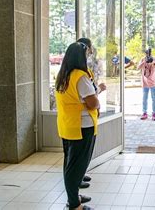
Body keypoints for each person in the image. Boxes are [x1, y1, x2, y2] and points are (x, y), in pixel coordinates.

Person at [55, 42, 105, 210]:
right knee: (77, 168)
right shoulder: (80, 77)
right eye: (86, 55)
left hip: (68, 125)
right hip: (81, 127)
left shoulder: (63, 74)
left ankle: (73, 196)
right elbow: (92, 103)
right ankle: (74, 204)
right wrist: (97, 96)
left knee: (70, 165)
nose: (88, 58)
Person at [138, 48, 155, 121]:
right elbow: (138, 68)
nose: (148, 55)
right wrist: (144, 62)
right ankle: (144, 113)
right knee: (144, 98)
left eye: (149, 53)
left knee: (154, 98)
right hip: (145, 82)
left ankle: (154, 114)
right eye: (147, 53)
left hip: (153, 82)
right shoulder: (143, 59)